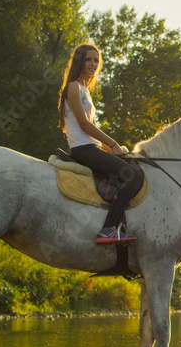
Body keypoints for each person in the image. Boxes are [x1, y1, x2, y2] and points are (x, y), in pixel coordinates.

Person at [57, 43, 144, 243]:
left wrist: (118, 150)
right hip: (83, 150)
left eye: (96, 60)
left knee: (131, 168)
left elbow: (94, 132)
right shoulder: (73, 87)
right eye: (88, 59)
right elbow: (84, 125)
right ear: (79, 61)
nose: (93, 64)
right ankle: (109, 229)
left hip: (92, 147)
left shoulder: (85, 91)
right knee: (133, 176)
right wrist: (113, 144)